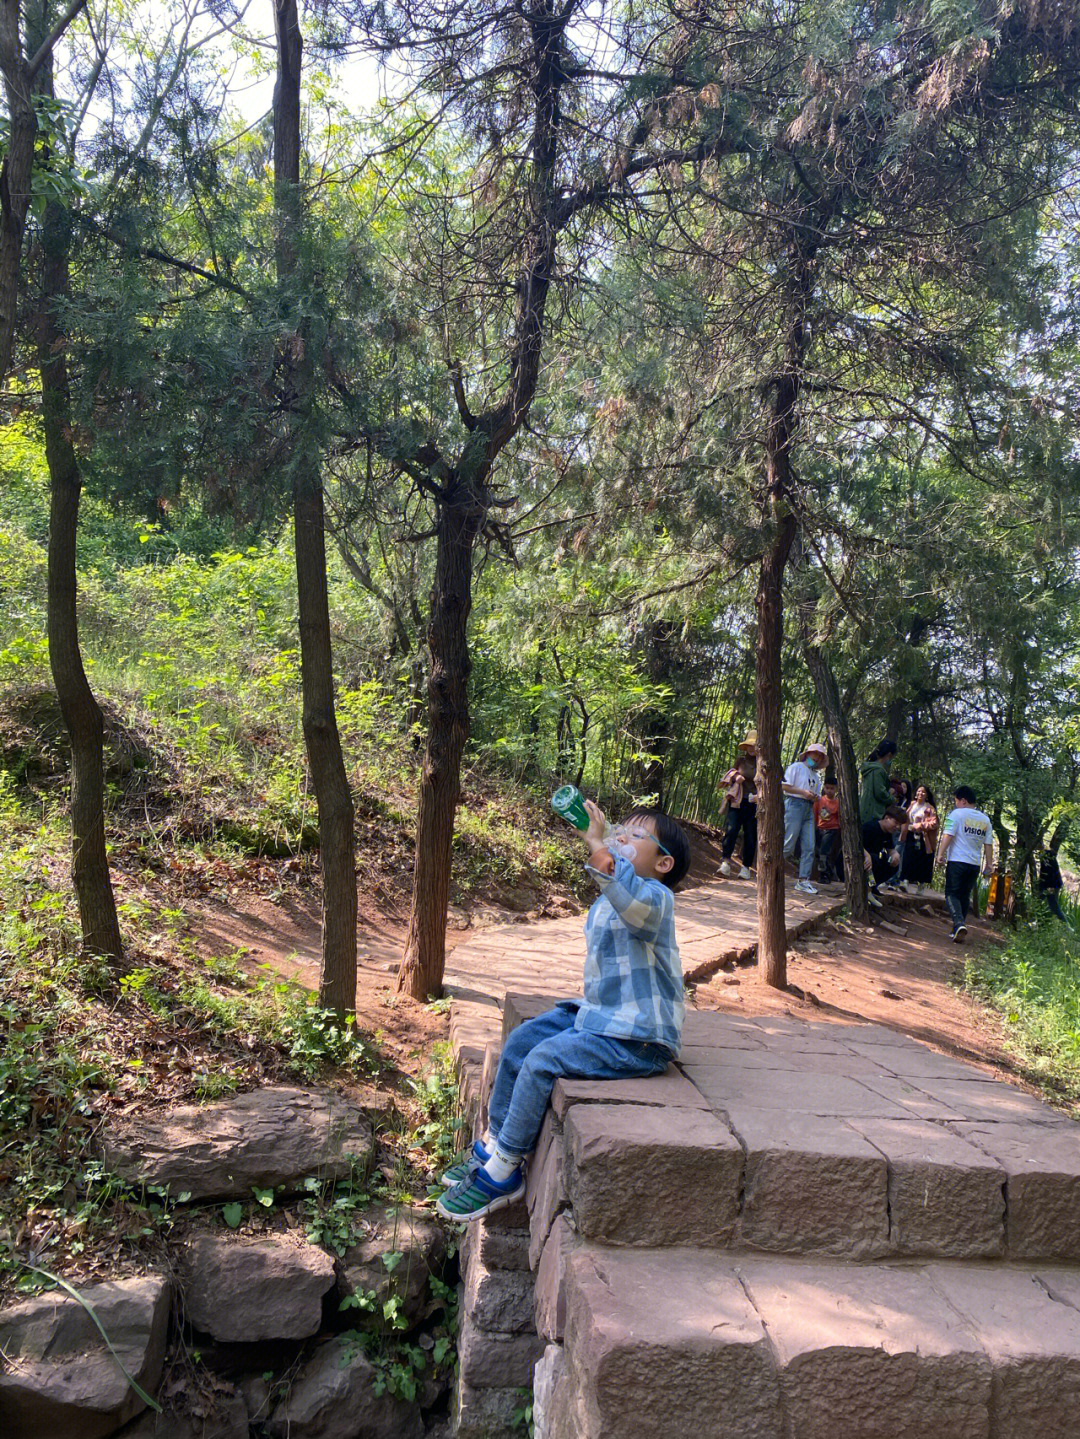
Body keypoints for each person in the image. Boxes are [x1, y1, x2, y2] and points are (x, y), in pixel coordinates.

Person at [437, 798, 690, 1222]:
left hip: (639, 1038)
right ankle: (495, 1139)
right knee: (522, 1042)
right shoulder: (612, 897)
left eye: (635, 835)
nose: (622, 836)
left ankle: (505, 1170)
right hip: (603, 1016)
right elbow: (615, 882)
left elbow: (625, 888)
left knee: (543, 1061)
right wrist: (606, 844)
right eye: (621, 829)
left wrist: (599, 843)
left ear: (664, 864)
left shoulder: (657, 900)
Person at [937, 785, 994, 942]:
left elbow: (948, 835)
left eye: (956, 801)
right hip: (974, 864)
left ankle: (959, 923)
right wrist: (989, 864)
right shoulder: (985, 820)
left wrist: (940, 854)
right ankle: (957, 929)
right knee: (964, 895)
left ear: (963, 800)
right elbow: (988, 844)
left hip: (957, 861)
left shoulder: (956, 814)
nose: (956, 804)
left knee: (951, 893)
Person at [783, 741, 827, 895]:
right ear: (808, 753)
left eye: (820, 756)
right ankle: (770, 870)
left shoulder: (816, 776)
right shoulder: (796, 767)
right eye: (815, 754)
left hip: (809, 808)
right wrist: (803, 793)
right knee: (788, 844)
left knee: (809, 845)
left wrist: (814, 797)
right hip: (794, 805)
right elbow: (784, 786)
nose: (817, 758)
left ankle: (803, 880)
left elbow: (816, 794)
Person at [719, 740, 757, 879]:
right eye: (749, 745)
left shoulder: (763, 762)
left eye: (754, 745)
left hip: (754, 803)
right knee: (731, 829)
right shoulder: (740, 760)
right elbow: (731, 773)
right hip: (737, 801)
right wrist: (736, 776)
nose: (751, 748)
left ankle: (746, 867)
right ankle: (725, 862)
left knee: (750, 835)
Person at [863, 805, 907, 898]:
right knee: (875, 859)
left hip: (871, 863)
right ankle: (867, 888)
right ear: (886, 818)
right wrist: (866, 855)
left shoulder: (887, 833)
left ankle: (873, 886)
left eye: (900, 825)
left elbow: (890, 849)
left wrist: (895, 854)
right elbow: (855, 843)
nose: (897, 827)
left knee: (892, 864)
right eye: (896, 822)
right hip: (858, 862)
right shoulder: (871, 827)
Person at [901, 784, 939, 892]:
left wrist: (920, 826)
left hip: (923, 837)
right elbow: (905, 817)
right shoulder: (912, 805)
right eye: (918, 791)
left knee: (922, 859)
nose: (920, 794)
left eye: (923, 792)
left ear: (927, 795)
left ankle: (921, 885)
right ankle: (905, 881)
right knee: (908, 856)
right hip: (910, 835)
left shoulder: (929, 808)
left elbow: (934, 823)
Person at [859, 738, 898, 824]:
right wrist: (891, 797)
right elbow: (879, 792)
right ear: (889, 755)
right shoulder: (878, 770)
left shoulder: (870, 768)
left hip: (865, 811)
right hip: (873, 813)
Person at [814, 772, 841, 883]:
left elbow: (839, 817)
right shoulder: (820, 800)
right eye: (827, 788)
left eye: (832, 788)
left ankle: (824, 875)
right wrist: (815, 826)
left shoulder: (838, 802)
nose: (829, 790)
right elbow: (815, 813)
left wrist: (838, 829)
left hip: (831, 830)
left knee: (824, 852)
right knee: (818, 851)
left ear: (836, 789)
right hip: (820, 828)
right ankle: (829, 872)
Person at [1038, 850, 1069, 925]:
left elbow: (1050, 871)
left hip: (1050, 885)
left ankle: (1067, 927)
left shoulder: (1047, 855)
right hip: (1050, 884)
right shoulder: (1047, 854)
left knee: (1053, 905)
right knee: (1048, 904)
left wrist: (1050, 886)